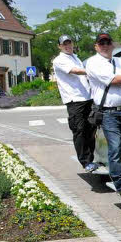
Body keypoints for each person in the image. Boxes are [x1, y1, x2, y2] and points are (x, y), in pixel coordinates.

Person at [86, 32, 121, 198]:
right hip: (109, 113)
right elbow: (114, 80)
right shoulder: (93, 62)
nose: (105, 46)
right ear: (96, 46)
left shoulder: (120, 61)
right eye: (101, 43)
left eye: (107, 42)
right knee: (116, 148)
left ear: (112, 45)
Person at [52, 35, 97, 171]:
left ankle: (91, 159)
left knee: (91, 129)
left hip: (86, 98)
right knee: (80, 130)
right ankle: (85, 161)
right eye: (64, 44)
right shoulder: (59, 60)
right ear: (59, 46)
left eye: (69, 43)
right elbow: (75, 71)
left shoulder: (75, 57)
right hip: (74, 100)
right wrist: (96, 72)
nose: (68, 46)